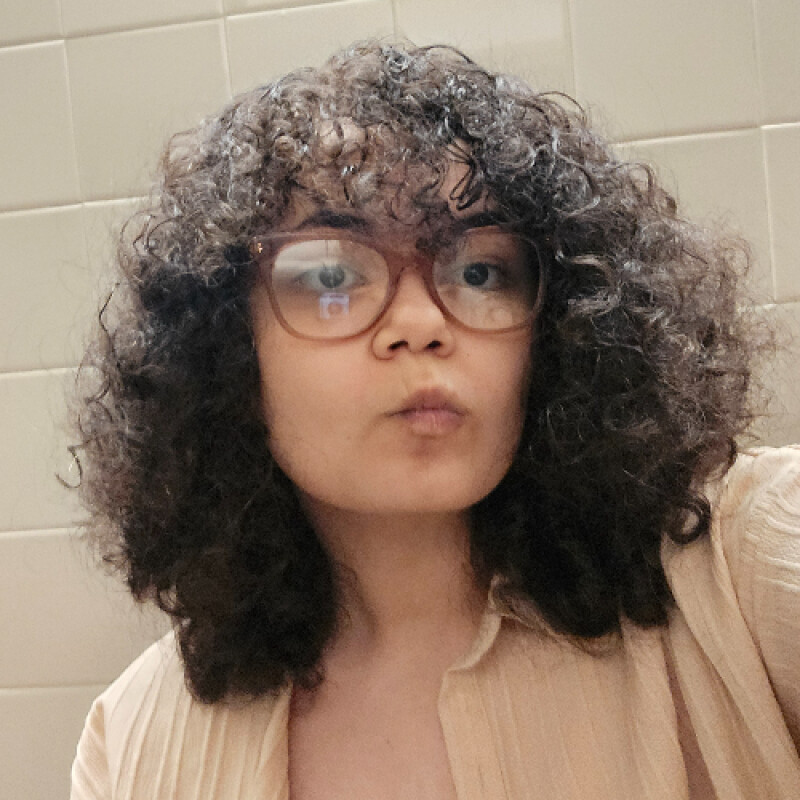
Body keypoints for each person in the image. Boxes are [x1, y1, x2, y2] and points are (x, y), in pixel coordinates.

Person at [69, 41, 800, 799]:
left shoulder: (745, 572)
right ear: (226, 353)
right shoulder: (133, 741)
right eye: (331, 274)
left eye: (480, 270)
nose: (420, 323)